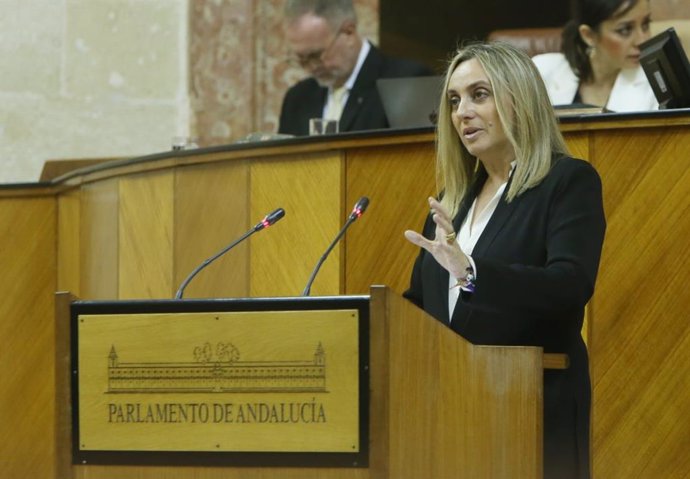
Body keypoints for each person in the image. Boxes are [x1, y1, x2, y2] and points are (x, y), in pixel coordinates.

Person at [403, 42, 605, 479]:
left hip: (531, 405)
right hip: (450, 413)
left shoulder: (567, 182)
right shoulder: (452, 204)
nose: (462, 113)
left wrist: (472, 273)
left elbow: (569, 286)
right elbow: (420, 307)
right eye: (454, 101)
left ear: (520, 98)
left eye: (480, 94)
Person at [278, 0, 433, 136]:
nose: (310, 67)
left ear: (348, 32)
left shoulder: (407, 82)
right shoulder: (297, 99)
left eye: (316, 56)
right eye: (301, 59)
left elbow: (419, 161)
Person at [532, 0, 657, 111]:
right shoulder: (541, 72)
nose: (642, 41)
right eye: (624, 30)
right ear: (589, 35)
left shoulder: (657, 83)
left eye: (645, 25)